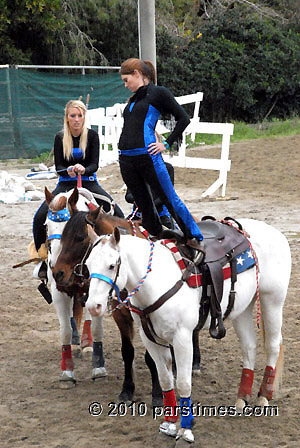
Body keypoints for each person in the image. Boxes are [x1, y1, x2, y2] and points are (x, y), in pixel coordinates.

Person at [118, 58, 204, 259]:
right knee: (144, 205)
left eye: (126, 79)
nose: (125, 85)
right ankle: (160, 234)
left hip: (148, 158)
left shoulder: (158, 93)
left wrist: (165, 144)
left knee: (169, 198)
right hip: (127, 161)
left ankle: (195, 237)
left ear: (137, 74)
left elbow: (183, 118)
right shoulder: (133, 100)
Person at [32, 99, 124, 260]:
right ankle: (42, 256)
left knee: (118, 213)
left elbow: (94, 164)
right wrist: (67, 170)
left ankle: (121, 250)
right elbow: (58, 166)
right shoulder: (60, 137)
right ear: (67, 118)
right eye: (72, 115)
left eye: (79, 115)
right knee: (39, 217)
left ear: (84, 117)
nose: (76, 119)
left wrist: (84, 169)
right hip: (65, 184)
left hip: (89, 182)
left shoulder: (93, 136)